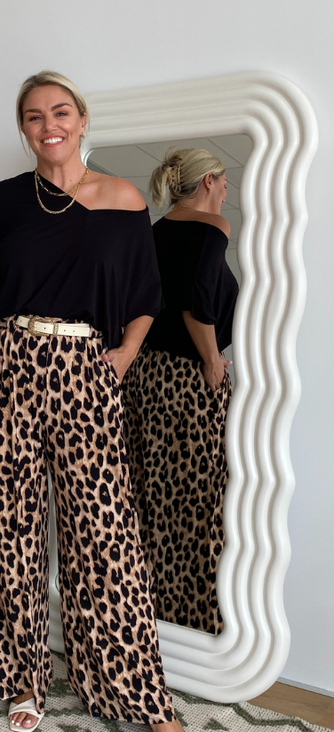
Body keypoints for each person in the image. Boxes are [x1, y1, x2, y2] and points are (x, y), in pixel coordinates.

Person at [0, 71, 195, 732]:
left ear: (82, 120)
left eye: (59, 111)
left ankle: (146, 700)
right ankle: (21, 676)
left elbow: (146, 297)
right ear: (23, 128)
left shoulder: (122, 201)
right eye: (33, 116)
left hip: (84, 370)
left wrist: (121, 354)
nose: (47, 124)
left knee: (105, 536)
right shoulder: (3, 201)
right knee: (8, 529)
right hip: (4, 366)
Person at [123, 147, 239, 636]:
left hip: (145, 376)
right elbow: (196, 304)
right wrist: (213, 361)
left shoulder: (155, 231)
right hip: (186, 380)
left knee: (150, 492)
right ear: (209, 181)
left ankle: (148, 612)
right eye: (225, 181)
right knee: (199, 495)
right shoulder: (213, 228)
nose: (227, 189)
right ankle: (192, 617)